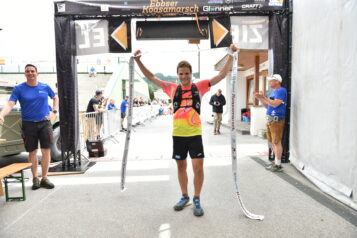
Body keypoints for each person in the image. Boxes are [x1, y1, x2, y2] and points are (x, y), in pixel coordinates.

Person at [134, 44, 238, 217]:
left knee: (198, 168)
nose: (184, 76)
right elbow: (151, 77)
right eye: (181, 73)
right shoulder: (171, 88)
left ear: (191, 74)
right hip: (178, 135)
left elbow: (221, 75)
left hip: (195, 135)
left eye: (186, 73)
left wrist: (231, 55)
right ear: (178, 75)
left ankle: (196, 198)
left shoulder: (200, 86)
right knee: (181, 166)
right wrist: (138, 61)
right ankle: (184, 196)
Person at [0, 64, 58, 190]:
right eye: (27, 71)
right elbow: (10, 104)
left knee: (46, 150)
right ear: (25, 74)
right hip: (28, 124)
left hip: (44, 123)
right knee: (32, 152)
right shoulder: (19, 89)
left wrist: (54, 112)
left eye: (32, 71)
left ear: (37, 73)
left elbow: (55, 97)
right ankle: (35, 178)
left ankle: (45, 177)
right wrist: (2, 114)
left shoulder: (45, 86)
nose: (30, 73)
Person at [253, 74, 287, 172]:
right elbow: (268, 106)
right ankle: (276, 162)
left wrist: (263, 97)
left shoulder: (281, 90)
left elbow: (275, 104)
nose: (269, 82)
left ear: (277, 81)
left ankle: (278, 164)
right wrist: (260, 98)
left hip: (277, 120)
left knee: (276, 142)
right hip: (270, 120)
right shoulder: (273, 93)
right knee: (273, 142)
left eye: (271, 80)